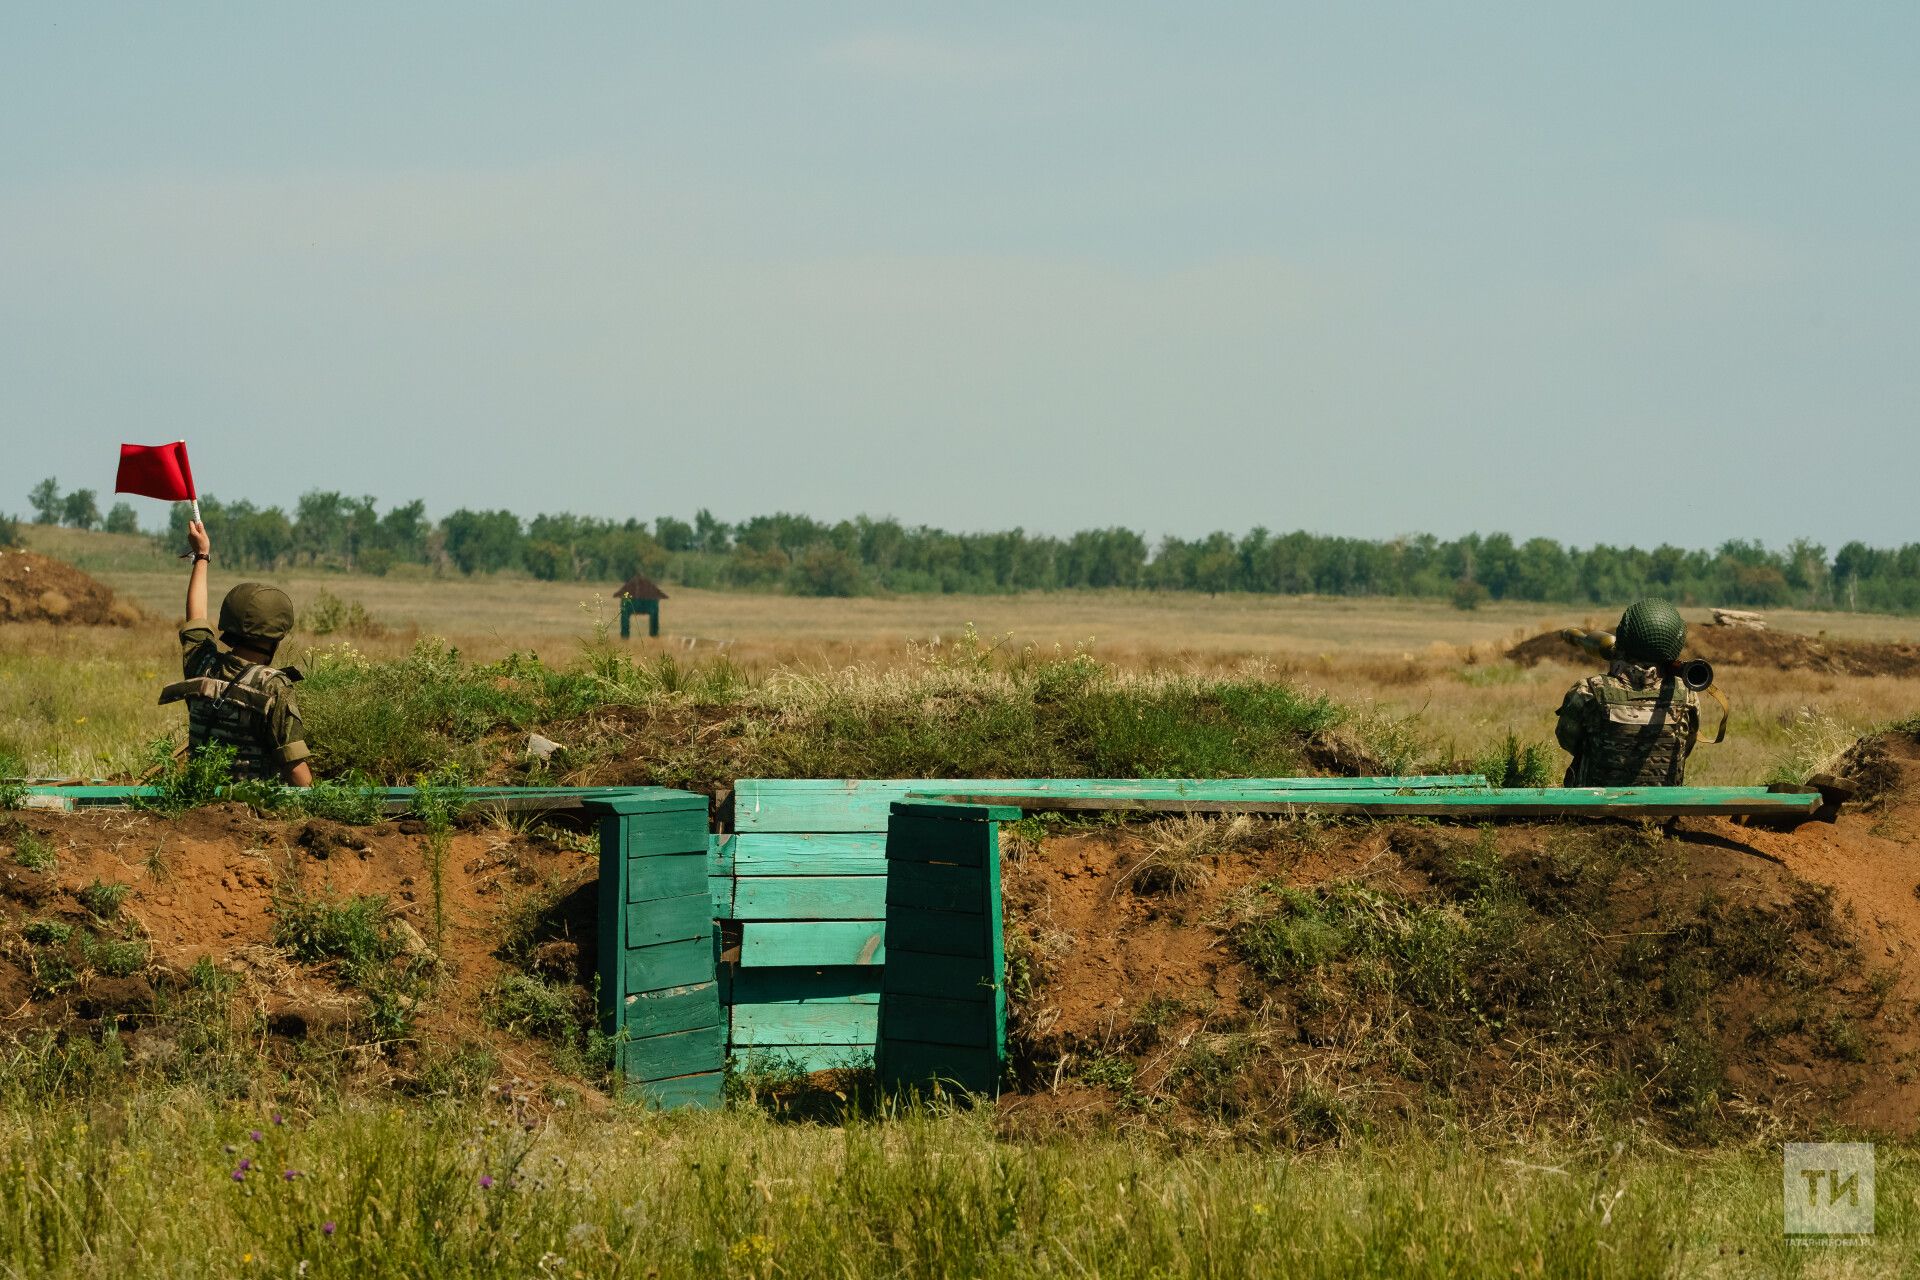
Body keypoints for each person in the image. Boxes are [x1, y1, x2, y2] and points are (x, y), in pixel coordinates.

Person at [158, 520, 313, 786]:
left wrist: (202, 556)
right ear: (274, 639)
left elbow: (195, 616)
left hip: (199, 801)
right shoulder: (273, 685)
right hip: (251, 811)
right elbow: (296, 769)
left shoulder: (202, 664)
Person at [1554, 598, 1700, 787]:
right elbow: (1686, 747)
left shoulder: (1588, 691)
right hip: (1661, 813)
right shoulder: (1686, 695)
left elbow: (1567, 739)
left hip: (1595, 811)